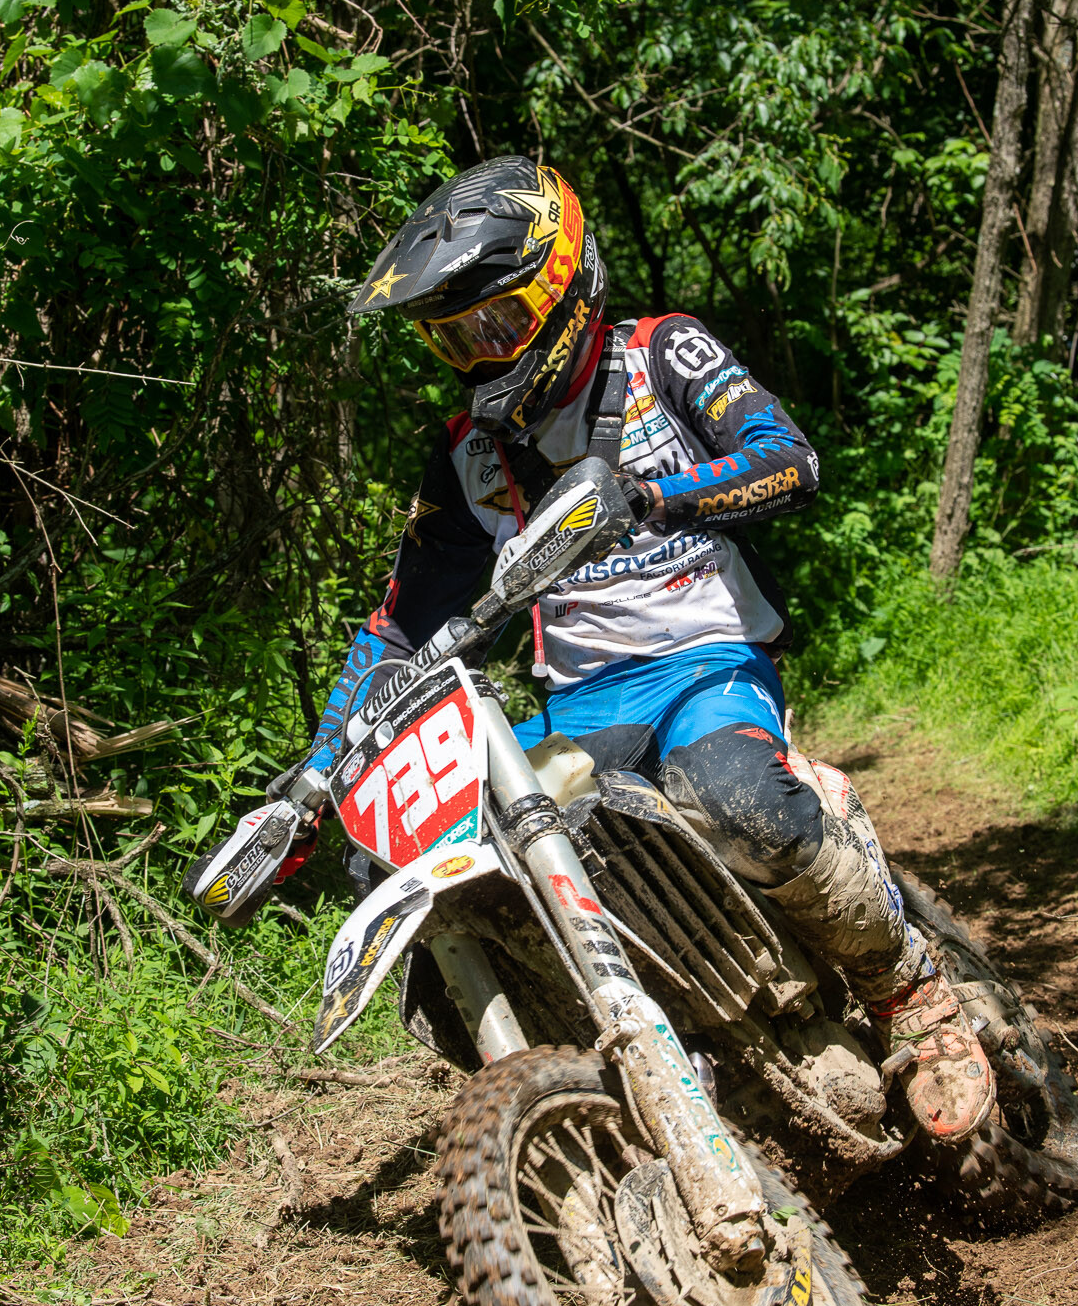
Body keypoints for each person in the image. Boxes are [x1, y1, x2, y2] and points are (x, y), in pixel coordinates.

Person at [275, 157, 993, 1143]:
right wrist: (313, 779)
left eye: (494, 324)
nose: (478, 355)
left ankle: (909, 989)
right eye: (453, 337)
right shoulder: (465, 454)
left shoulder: (663, 353)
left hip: (705, 659)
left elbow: (789, 456)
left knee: (738, 802)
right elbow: (399, 623)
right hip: (582, 707)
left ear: (564, 284)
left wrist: (654, 497)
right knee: (404, 866)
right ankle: (609, 1078)